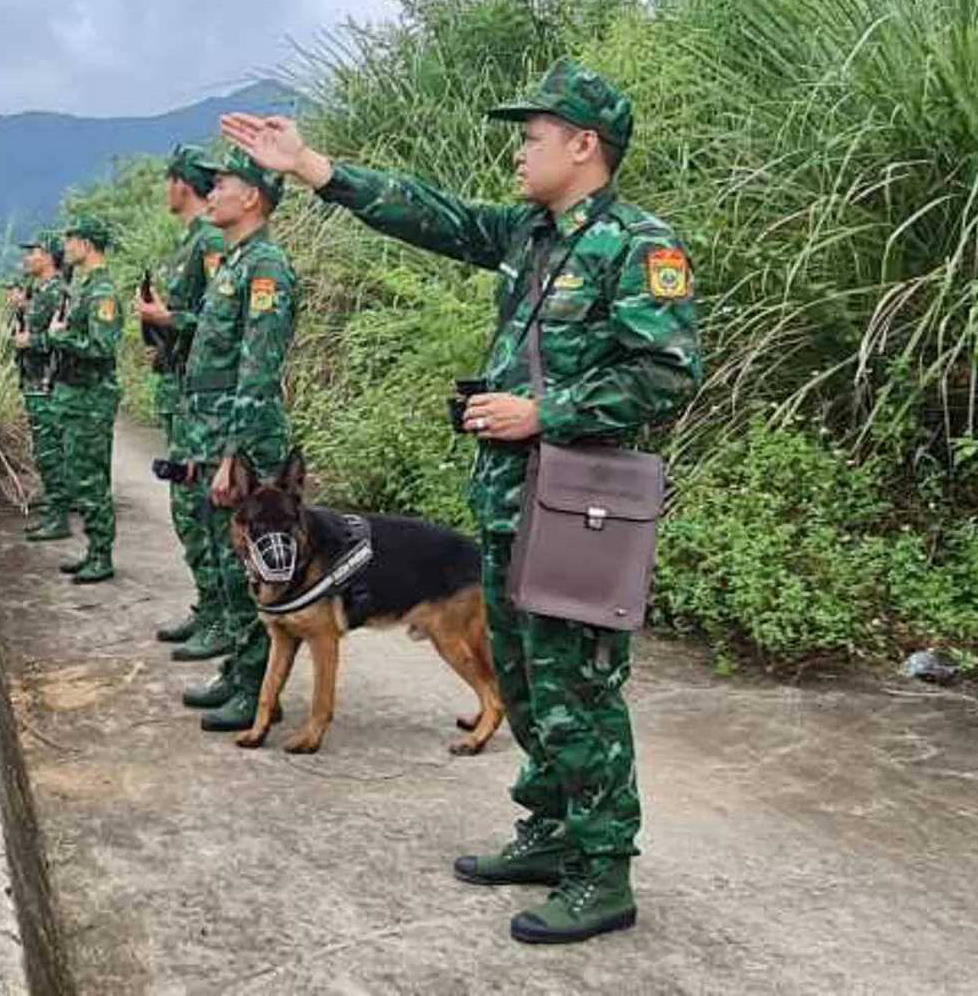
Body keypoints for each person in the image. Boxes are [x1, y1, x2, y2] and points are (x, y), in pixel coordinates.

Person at [222, 59, 701, 943]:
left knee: (577, 690)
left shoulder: (639, 247)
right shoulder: (530, 235)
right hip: (511, 505)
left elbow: (668, 371)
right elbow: (432, 215)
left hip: (578, 510)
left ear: (582, 144)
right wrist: (313, 167)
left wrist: (542, 411)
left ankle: (603, 874)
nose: (518, 153)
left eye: (531, 138)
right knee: (520, 678)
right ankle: (552, 833)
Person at [172, 149, 300, 730]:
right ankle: (238, 672)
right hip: (211, 430)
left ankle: (257, 690)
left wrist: (231, 457)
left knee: (247, 562)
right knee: (226, 564)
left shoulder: (265, 267)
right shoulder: (234, 262)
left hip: (243, 441)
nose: (213, 192)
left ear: (252, 196)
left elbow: (257, 369)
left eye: (222, 184)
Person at [135, 144, 226, 646]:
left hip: (199, 398)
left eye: (168, 180)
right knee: (186, 505)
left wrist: (166, 319)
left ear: (179, 183)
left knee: (196, 506)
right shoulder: (190, 242)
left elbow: (215, 320)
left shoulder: (208, 242)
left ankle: (220, 615)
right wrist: (163, 338)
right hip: (179, 386)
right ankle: (208, 604)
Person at [49, 214, 124, 584]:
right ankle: (95, 549)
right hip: (77, 396)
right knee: (81, 476)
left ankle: (102, 555)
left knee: (91, 477)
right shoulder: (86, 286)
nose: (66, 247)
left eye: (71, 240)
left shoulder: (102, 292)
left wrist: (59, 337)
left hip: (91, 397)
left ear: (86, 244)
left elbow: (101, 345)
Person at [12, 231, 71, 541]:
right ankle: (52, 512)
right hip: (34, 383)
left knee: (51, 453)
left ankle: (59, 518)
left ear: (48, 256)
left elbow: (61, 339)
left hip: (48, 384)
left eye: (33, 251)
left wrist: (29, 340)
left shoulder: (56, 292)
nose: (27, 257)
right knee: (44, 453)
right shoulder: (42, 291)